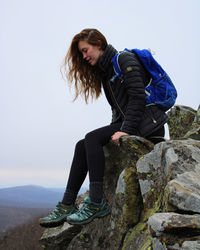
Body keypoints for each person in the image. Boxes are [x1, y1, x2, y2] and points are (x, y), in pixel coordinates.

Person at [39, 28, 168, 227]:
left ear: (98, 45)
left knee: (91, 138)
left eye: (85, 50)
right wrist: (116, 129)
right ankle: (67, 204)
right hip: (132, 122)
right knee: (82, 145)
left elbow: (138, 97)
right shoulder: (107, 72)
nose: (83, 57)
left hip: (148, 124)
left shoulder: (124, 60)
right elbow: (119, 109)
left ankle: (97, 202)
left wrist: (125, 129)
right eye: (81, 53)